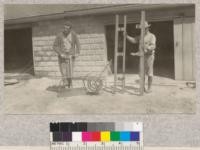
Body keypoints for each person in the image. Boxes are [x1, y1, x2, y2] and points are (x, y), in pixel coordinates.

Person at [125, 21, 156, 93]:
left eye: (144, 28)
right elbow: (134, 40)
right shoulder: (140, 36)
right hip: (142, 56)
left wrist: (147, 48)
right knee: (141, 73)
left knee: (149, 73)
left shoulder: (152, 36)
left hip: (149, 56)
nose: (143, 30)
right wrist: (126, 36)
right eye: (142, 29)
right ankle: (143, 87)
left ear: (147, 28)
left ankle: (149, 88)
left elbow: (153, 46)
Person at [53, 21, 81, 88]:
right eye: (64, 28)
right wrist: (60, 53)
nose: (65, 30)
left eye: (67, 28)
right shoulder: (59, 35)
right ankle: (65, 85)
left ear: (70, 29)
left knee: (70, 71)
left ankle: (70, 84)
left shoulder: (73, 34)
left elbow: (78, 44)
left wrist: (77, 52)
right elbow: (54, 46)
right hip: (62, 56)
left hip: (71, 55)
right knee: (64, 71)